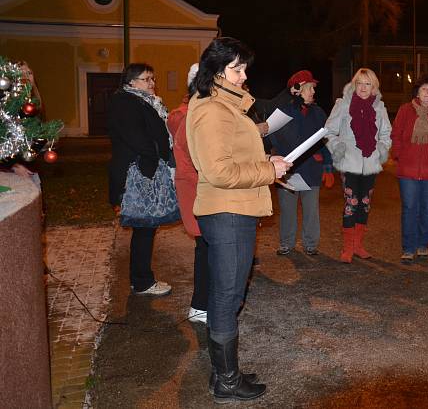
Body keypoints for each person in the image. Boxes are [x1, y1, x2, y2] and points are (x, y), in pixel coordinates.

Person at [186, 37, 291, 403]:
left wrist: (268, 166)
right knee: (228, 295)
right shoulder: (213, 110)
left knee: (227, 292)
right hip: (227, 210)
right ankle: (226, 381)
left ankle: (225, 372)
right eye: (237, 68)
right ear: (216, 71)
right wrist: (267, 169)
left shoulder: (226, 106)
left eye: (245, 68)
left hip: (235, 208)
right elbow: (218, 171)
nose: (244, 75)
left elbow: (233, 157)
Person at [107, 63, 173, 297]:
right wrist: (156, 155)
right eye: (147, 79)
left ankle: (141, 279)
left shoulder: (142, 100)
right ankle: (142, 281)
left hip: (145, 170)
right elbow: (136, 137)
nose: (152, 83)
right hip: (138, 174)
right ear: (131, 82)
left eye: (153, 78)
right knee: (144, 227)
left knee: (146, 227)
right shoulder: (125, 102)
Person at [325, 67, 392, 263]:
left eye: (367, 83)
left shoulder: (379, 108)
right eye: (360, 83)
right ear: (355, 85)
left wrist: (381, 148)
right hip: (349, 162)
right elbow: (328, 131)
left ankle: (358, 245)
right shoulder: (343, 105)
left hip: (370, 163)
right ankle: (347, 248)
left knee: (364, 204)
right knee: (351, 203)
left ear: (374, 87)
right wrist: (338, 147)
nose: (363, 87)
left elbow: (387, 133)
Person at [267, 70, 334, 256]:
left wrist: (328, 167)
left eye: (313, 88)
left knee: (311, 210)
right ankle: (286, 243)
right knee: (287, 210)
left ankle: (310, 244)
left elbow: (325, 141)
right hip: (287, 170)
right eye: (310, 88)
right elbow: (271, 139)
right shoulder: (282, 113)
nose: (313, 91)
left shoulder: (318, 113)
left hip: (312, 169)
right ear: (297, 90)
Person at [167, 63, 208, 323]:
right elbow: (195, 161)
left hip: (201, 189)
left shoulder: (193, 113)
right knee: (205, 248)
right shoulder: (186, 116)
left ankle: (203, 303)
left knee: (206, 247)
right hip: (198, 191)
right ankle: (200, 305)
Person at [390, 76, 428, 263]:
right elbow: (396, 134)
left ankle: (423, 245)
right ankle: (408, 247)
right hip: (408, 170)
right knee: (409, 208)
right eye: (424, 89)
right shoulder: (405, 110)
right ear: (417, 92)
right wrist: (398, 154)